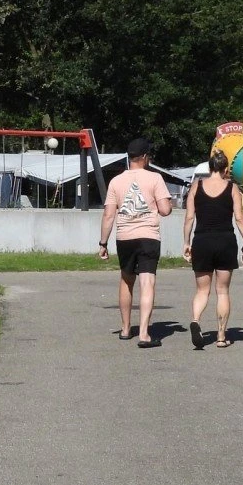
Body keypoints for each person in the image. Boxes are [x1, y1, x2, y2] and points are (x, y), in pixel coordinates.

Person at [99, 137, 173, 347]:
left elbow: (108, 215)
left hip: (124, 237)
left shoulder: (116, 181)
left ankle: (125, 329)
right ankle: (143, 334)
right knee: (147, 283)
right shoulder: (155, 178)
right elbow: (165, 210)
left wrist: (103, 243)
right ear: (145, 157)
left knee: (126, 280)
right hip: (148, 236)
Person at [182, 150, 243, 349]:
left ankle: (195, 320)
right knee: (222, 291)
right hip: (225, 241)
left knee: (202, 291)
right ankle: (221, 337)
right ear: (226, 169)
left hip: (202, 241)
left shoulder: (196, 186)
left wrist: (186, 242)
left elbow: (189, 217)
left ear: (210, 166)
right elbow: (239, 218)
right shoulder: (232, 188)